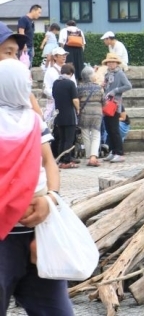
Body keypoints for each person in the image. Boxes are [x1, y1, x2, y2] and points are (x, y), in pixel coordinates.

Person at [0, 58, 73, 316]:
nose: (28, 87)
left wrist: (51, 198)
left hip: (39, 235)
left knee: (56, 310)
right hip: (3, 238)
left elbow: (49, 164)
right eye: (25, 82)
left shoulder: (33, 121)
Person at [100, 53, 132, 163]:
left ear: (117, 63)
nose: (111, 63)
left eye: (113, 62)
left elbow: (128, 85)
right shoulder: (107, 74)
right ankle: (113, 151)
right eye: (109, 62)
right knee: (109, 129)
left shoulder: (120, 74)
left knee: (114, 130)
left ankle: (119, 152)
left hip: (115, 105)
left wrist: (115, 91)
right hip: (106, 104)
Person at [52, 63, 79, 169]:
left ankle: (60, 159)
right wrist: (78, 109)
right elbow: (75, 100)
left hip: (58, 114)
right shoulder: (70, 83)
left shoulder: (56, 83)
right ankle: (66, 160)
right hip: (69, 114)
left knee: (62, 138)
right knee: (69, 138)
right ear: (71, 73)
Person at [77, 65, 105, 167]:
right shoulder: (98, 87)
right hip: (97, 113)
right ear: (90, 76)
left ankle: (89, 156)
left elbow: (77, 101)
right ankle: (93, 157)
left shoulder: (79, 88)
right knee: (96, 134)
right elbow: (104, 101)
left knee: (85, 134)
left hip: (84, 113)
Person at [42, 47, 73, 124]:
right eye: (61, 55)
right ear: (55, 57)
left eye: (65, 55)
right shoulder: (50, 71)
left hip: (68, 102)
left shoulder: (70, 69)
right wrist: (57, 95)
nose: (64, 56)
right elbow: (46, 88)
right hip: (54, 102)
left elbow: (74, 85)